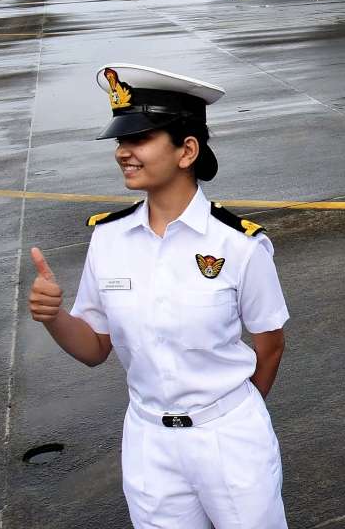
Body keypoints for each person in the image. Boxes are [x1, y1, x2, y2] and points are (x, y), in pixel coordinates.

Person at [27, 64, 289, 529]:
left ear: (187, 150)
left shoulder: (238, 245)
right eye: (120, 142)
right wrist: (54, 318)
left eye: (139, 139)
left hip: (229, 439)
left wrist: (231, 419)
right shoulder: (108, 239)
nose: (123, 152)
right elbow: (94, 348)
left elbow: (270, 347)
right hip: (149, 442)